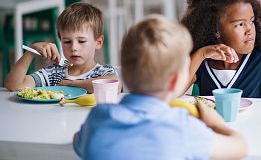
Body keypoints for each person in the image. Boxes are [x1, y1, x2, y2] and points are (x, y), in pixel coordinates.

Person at [73, 15, 247, 160]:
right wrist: (216, 123)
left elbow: (78, 141)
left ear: (123, 74)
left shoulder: (98, 118)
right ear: (176, 81)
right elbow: (240, 147)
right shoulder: (182, 128)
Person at [181, 0, 261, 98]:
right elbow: (174, 92)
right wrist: (201, 54)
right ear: (216, 30)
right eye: (240, 24)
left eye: (252, 21)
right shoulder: (202, 62)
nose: (249, 30)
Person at [5, 2, 118, 93]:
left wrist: (69, 84)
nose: (74, 47)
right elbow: (14, 86)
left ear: (98, 42)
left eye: (81, 41)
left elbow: (114, 84)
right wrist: (31, 52)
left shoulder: (103, 72)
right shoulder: (54, 73)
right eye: (67, 41)